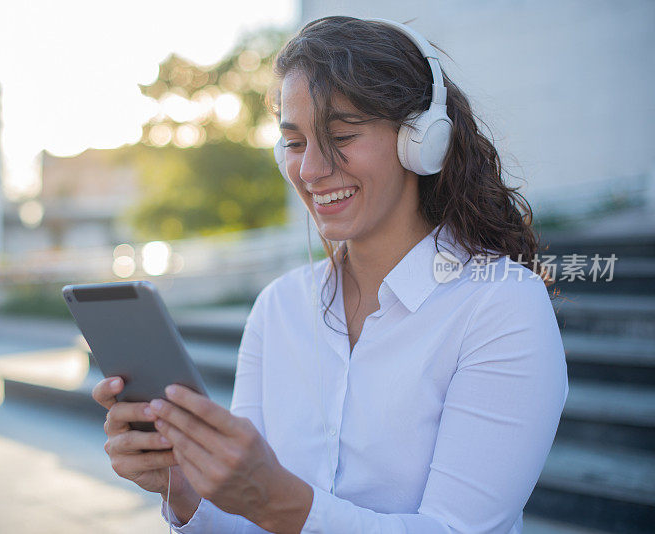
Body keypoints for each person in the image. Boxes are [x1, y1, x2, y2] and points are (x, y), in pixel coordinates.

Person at [92, 15, 569, 533]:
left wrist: (282, 501)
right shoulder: (278, 307)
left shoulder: (500, 306)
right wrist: (184, 489)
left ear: (420, 140)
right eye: (294, 143)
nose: (312, 170)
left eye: (341, 136)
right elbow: (248, 522)